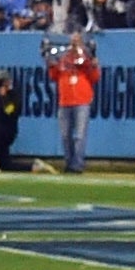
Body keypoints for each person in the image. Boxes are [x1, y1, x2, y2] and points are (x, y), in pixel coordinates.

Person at [46, 30, 97, 173]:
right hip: (65, 101)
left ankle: (78, 165)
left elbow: (94, 77)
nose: (74, 44)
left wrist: (92, 64)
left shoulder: (86, 58)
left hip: (82, 100)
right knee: (65, 135)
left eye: (77, 41)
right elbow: (54, 76)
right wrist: (50, 64)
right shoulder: (63, 58)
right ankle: (69, 163)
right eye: (72, 41)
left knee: (80, 136)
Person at [0, 70, 24, 172]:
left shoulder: (14, 95)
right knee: (6, 165)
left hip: (9, 130)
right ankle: (33, 166)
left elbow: (9, 111)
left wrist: (4, 96)